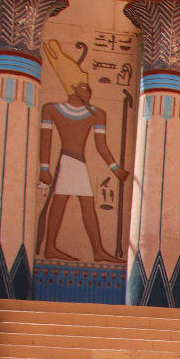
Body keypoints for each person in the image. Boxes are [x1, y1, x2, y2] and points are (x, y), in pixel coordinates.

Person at [39, 40, 128, 262]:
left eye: (88, 87)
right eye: (83, 87)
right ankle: (55, 247)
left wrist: (115, 168)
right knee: (67, 203)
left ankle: (94, 250)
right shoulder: (52, 110)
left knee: (75, 203)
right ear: (72, 88)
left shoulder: (96, 114)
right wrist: (44, 168)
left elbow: (101, 146)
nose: (89, 91)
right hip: (66, 162)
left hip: (77, 163)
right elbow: (46, 140)